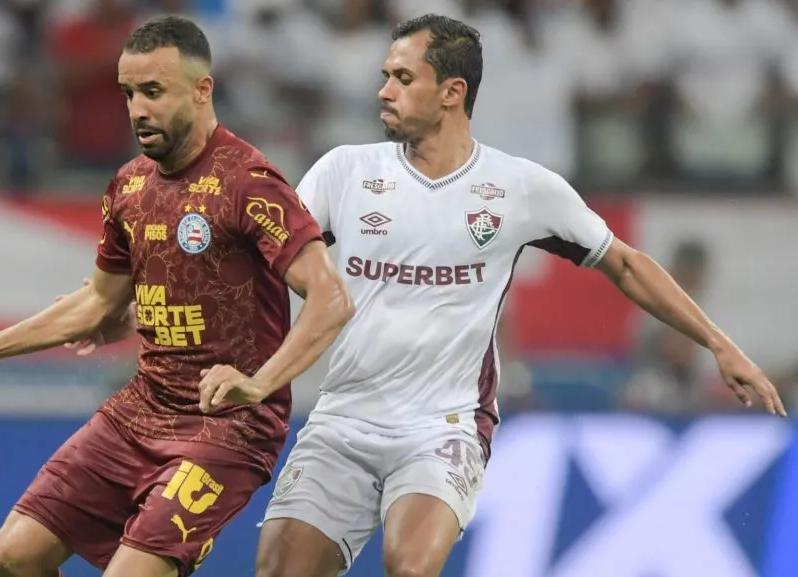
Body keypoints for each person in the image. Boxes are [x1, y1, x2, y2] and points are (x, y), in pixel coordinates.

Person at [244, 14, 788, 577]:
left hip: (443, 426)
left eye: (403, 78)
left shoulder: (518, 187)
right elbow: (265, 267)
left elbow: (624, 263)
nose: (384, 90)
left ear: (453, 92)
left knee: (409, 568)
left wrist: (720, 345)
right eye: (386, 75)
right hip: (342, 420)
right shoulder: (342, 172)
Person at [0, 15, 353, 577]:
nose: (137, 109)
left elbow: (330, 298)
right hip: (141, 410)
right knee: (13, 556)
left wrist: (259, 383)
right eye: (128, 93)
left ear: (202, 90)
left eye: (153, 91)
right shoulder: (128, 185)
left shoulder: (250, 183)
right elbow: (97, 303)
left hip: (227, 427)